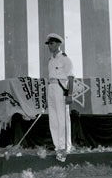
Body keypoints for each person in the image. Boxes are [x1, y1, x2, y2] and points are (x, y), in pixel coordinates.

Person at [45, 33, 74, 162]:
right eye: (48, 44)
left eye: (51, 43)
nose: (49, 46)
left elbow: (71, 77)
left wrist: (70, 94)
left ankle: (65, 148)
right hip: (51, 88)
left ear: (58, 44)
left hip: (61, 89)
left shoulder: (64, 59)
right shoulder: (51, 60)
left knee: (62, 119)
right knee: (53, 120)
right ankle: (58, 147)